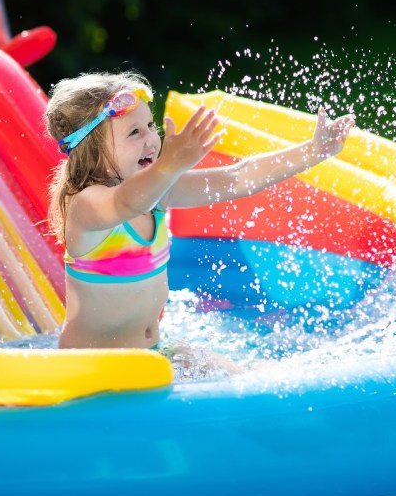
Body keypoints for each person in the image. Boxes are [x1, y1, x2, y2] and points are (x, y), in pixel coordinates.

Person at [44, 71, 355, 371]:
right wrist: (170, 165)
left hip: (149, 356)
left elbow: (237, 178)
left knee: (251, 381)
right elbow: (126, 201)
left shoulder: (157, 195)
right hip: (92, 368)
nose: (151, 139)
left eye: (151, 125)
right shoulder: (86, 205)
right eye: (134, 133)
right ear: (91, 150)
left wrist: (314, 151)